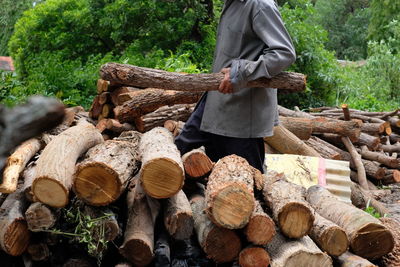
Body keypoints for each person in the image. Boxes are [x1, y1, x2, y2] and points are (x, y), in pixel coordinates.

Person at [175, 0, 296, 173]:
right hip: (214, 105)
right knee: (175, 153)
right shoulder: (232, 3)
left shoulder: (260, 5)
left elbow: (284, 53)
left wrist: (242, 72)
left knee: (245, 186)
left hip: (242, 118)